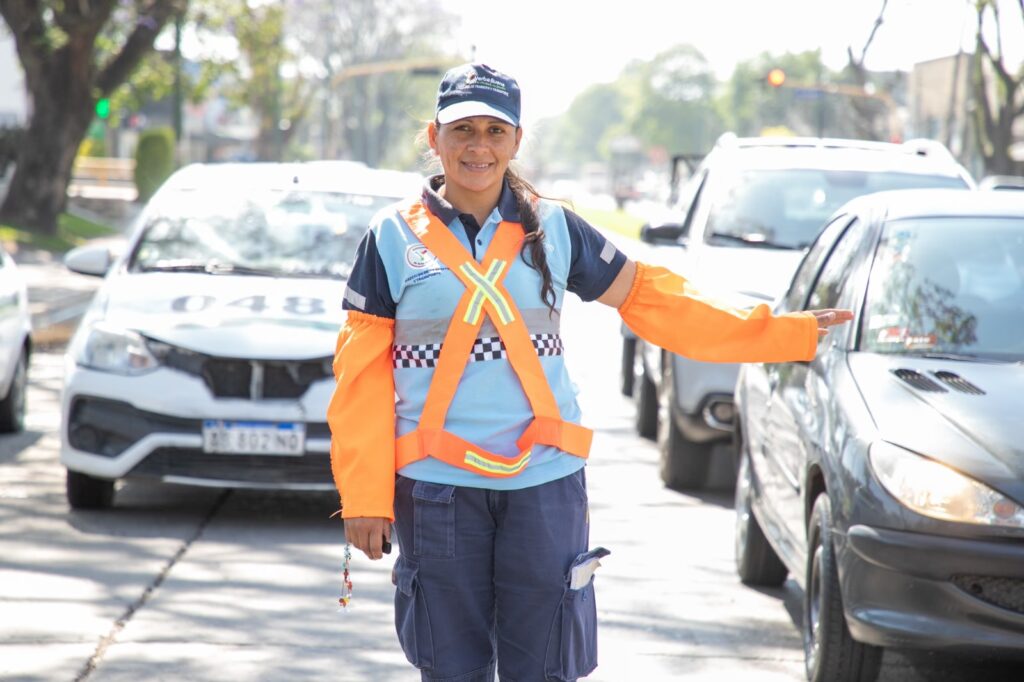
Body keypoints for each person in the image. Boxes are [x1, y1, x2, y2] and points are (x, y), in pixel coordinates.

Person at [327, 63, 852, 682]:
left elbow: (654, 300)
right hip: (437, 491)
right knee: (450, 670)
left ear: (516, 141)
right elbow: (361, 376)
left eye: (495, 131)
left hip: (543, 485)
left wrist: (779, 332)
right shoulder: (391, 236)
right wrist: (365, 496)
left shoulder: (553, 227)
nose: (478, 146)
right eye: (462, 129)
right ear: (434, 138)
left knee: (544, 669)